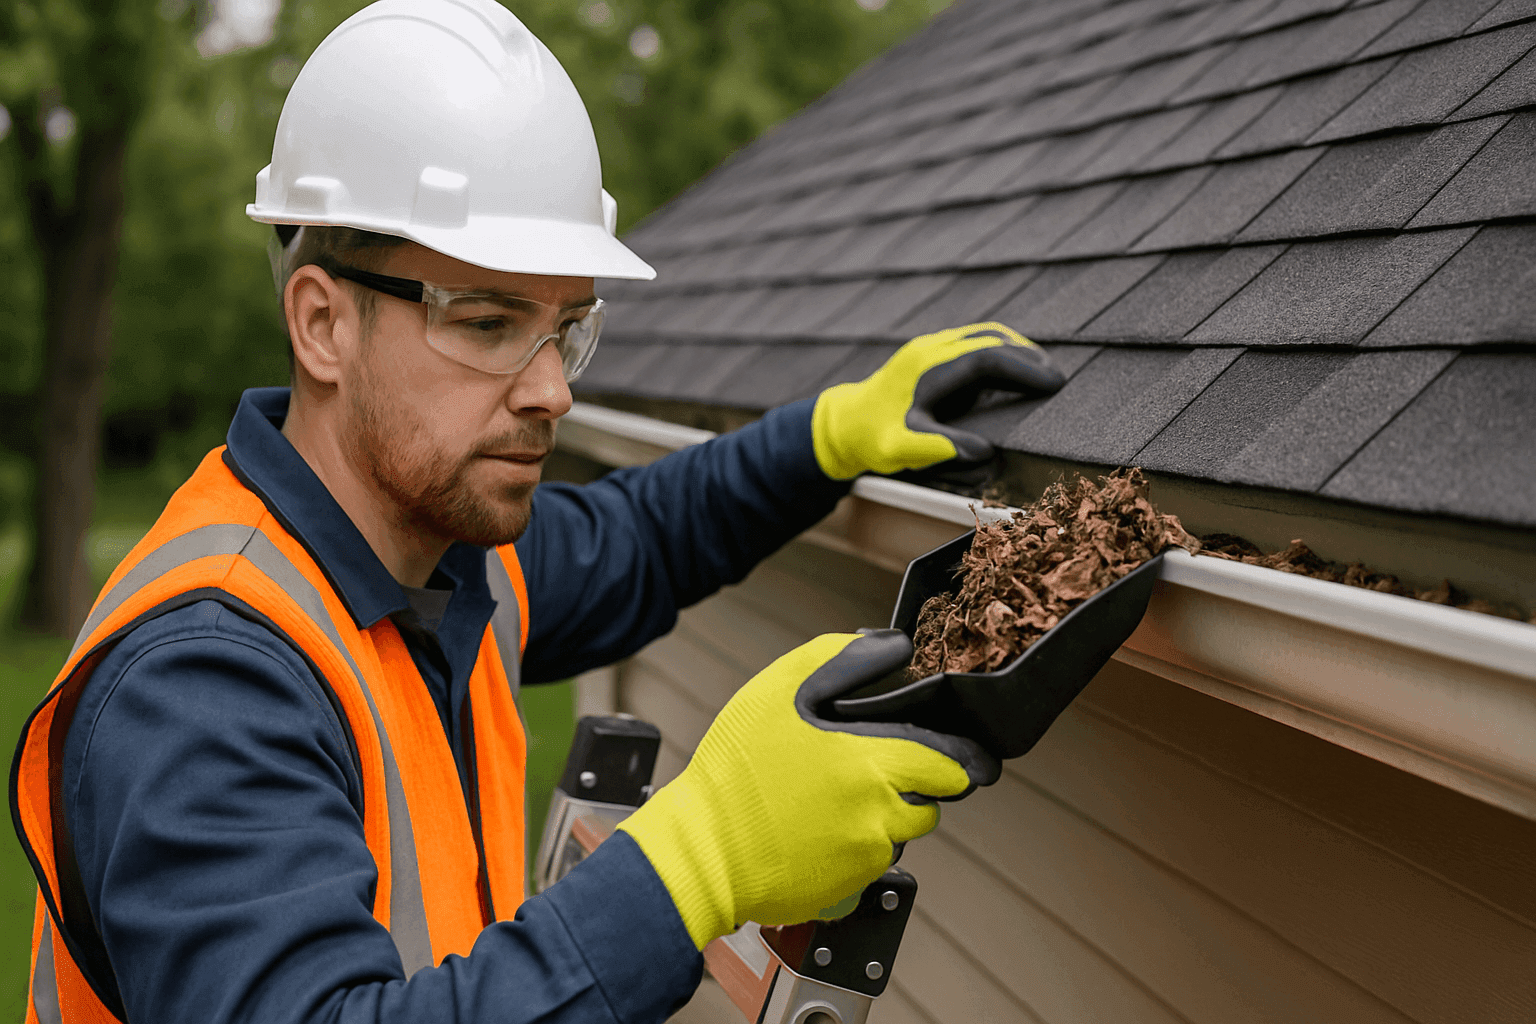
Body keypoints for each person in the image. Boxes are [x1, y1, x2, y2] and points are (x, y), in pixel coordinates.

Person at [12, 3, 1063, 1022]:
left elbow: (641, 537)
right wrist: (699, 861)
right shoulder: (205, 680)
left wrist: (826, 437)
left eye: (565, 330)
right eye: (485, 322)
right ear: (323, 325)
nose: (552, 390)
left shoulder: (441, 554)